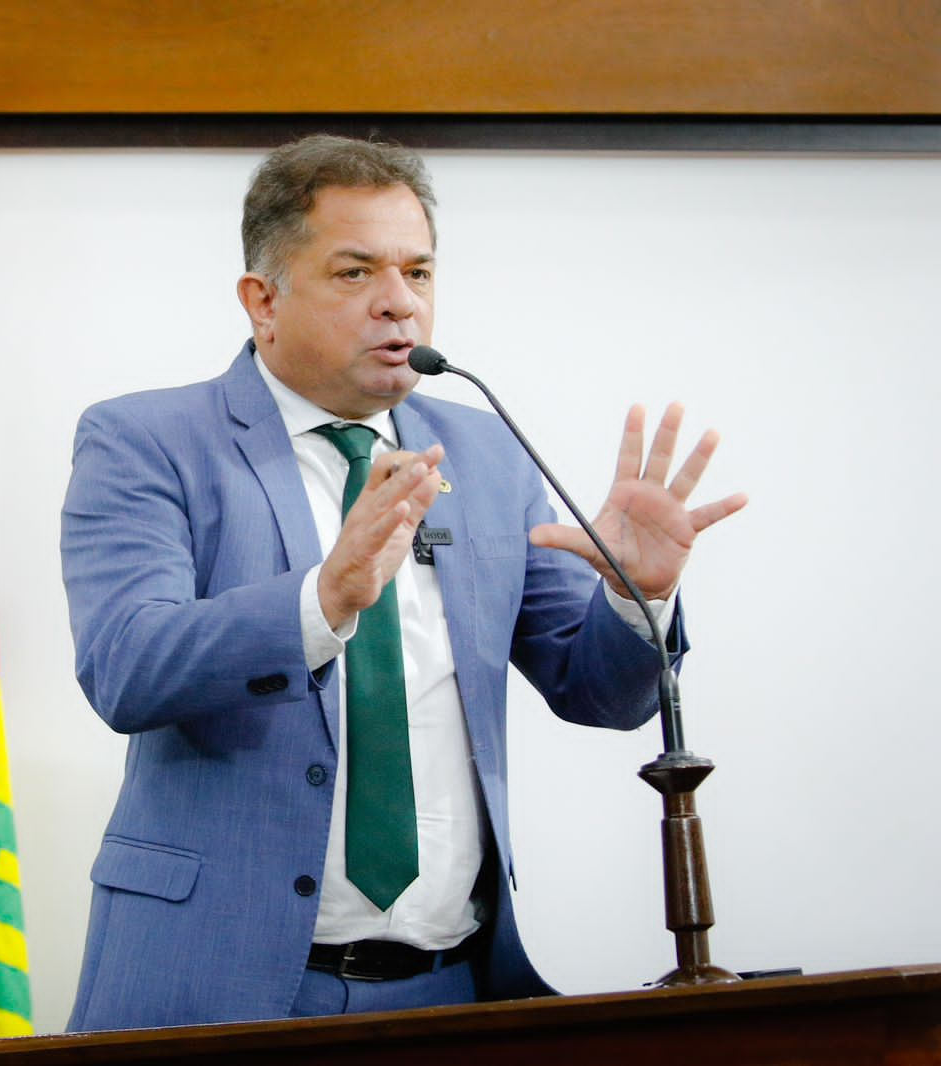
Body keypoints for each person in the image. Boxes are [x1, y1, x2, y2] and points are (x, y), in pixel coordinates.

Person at [59, 134, 746, 1031]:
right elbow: (127, 666)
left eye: (418, 273)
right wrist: (323, 600)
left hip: (453, 989)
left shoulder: (486, 455)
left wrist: (636, 597)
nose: (399, 306)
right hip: (219, 982)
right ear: (263, 300)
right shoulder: (149, 442)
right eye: (355, 274)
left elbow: (601, 693)